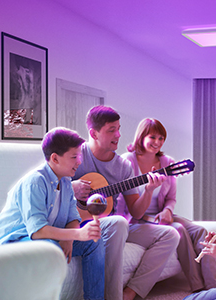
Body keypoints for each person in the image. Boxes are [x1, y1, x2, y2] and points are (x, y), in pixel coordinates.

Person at [72, 105, 180, 300]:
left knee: (171, 234)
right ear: (93, 133)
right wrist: (73, 187)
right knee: (119, 223)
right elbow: (48, 181)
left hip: (112, 226)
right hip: (78, 224)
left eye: (119, 128)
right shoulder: (76, 155)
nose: (119, 135)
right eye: (111, 130)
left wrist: (148, 190)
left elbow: (137, 213)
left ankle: (131, 292)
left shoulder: (123, 167)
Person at [0, 127, 105, 300]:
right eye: (74, 157)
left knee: (93, 241)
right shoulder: (35, 182)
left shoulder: (66, 181)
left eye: (79, 156)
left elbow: (73, 217)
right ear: (55, 158)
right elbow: (38, 231)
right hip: (16, 241)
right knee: (48, 246)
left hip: (47, 238)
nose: (79, 161)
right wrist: (76, 233)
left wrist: (69, 237)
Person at [117, 118, 216, 292]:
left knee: (200, 232)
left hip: (160, 216)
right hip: (136, 219)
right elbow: (130, 208)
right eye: (153, 137)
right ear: (141, 136)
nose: (157, 142)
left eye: (161, 139)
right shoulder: (127, 161)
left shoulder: (167, 162)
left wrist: (168, 210)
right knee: (178, 230)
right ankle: (198, 287)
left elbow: (171, 198)